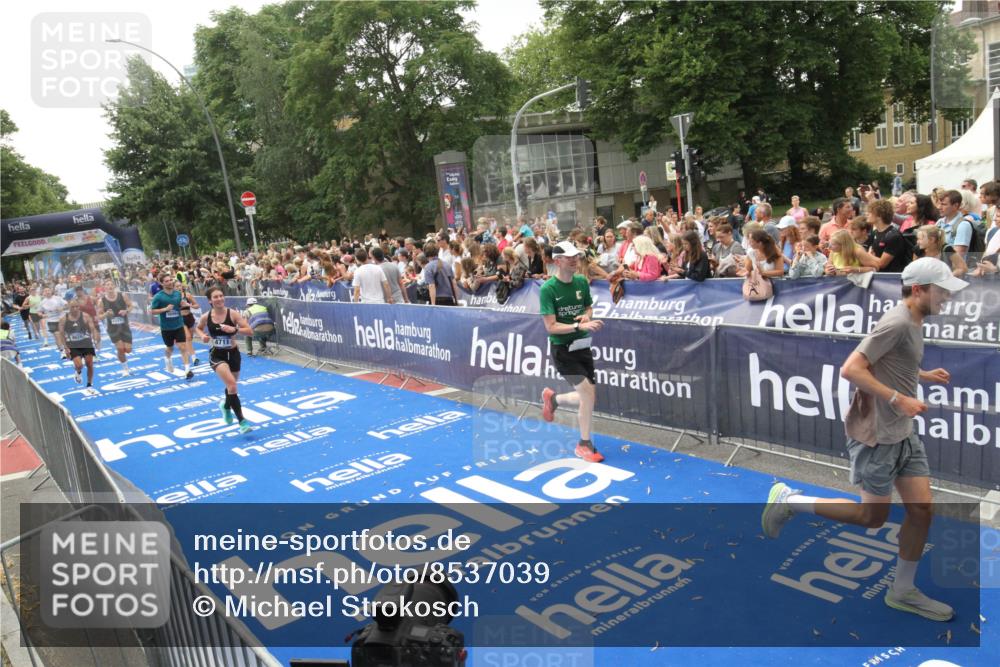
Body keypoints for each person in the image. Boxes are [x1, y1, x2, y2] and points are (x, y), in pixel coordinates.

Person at [762, 257, 968, 623]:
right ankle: (792, 500)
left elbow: (886, 361)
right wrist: (897, 398)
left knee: (921, 510)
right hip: (877, 436)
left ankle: (902, 591)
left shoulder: (913, 320)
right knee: (871, 516)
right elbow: (851, 368)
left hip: (903, 434)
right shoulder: (898, 321)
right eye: (942, 291)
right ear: (918, 289)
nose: (947, 298)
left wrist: (919, 374)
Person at [538, 242, 605, 463]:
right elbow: (551, 327)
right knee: (587, 394)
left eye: (576, 256)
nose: (575, 260)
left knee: (589, 396)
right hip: (562, 350)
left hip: (582, 347)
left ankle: (553, 399)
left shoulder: (581, 282)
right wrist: (578, 327)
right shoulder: (548, 289)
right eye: (569, 257)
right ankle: (584, 444)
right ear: (557, 261)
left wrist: (586, 316)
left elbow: (587, 307)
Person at [197, 287, 254, 434]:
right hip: (217, 355)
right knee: (232, 385)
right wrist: (202, 336)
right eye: (215, 297)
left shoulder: (232, 314)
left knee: (231, 387)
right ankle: (242, 421)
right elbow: (198, 328)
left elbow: (250, 331)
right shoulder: (206, 316)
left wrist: (234, 330)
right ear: (210, 300)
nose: (219, 299)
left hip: (233, 354)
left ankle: (226, 406)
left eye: (221, 296)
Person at [149, 274, 194, 379]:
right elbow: (152, 311)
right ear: (162, 283)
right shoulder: (158, 296)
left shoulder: (178, 294)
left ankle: (187, 370)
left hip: (178, 324)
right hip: (166, 327)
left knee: (183, 347)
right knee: (170, 348)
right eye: (167, 281)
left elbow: (180, 303)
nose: (170, 282)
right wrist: (165, 309)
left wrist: (185, 304)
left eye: (170, 280)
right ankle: (167, 359)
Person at [59, 298, 101, 391]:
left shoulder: (85, 316)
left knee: (89, 363)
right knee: (79, 365)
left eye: (76, 306)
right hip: (73, 345)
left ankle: (89, 384)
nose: (75, 309)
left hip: (86, 342)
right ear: (69, 308)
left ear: (79, 307)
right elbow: (61, 334)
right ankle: (78, 372)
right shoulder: (64, 319)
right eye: (72, 307)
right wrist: (65, 348)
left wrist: (95, 340)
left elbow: (92, 328)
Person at [97, 279, 134, 376]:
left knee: (128, 350)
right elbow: (99, 316)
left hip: (124, 326)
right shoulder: (102, 300)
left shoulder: (122, 295)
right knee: (121, 349)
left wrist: (126, 311)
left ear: (114, 286)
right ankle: (125, 369)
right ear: (104, 287)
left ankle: (121, 356)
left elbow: (131, 306)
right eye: (107, 284)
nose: (110, 286)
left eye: (111, 284)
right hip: (113, 329)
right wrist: (106, 314)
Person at [39, 287, 69, 357]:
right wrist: (42, 315)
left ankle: (67, 348)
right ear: (43, 293)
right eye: (45, 291)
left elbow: (67, 305)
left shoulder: (58, 298)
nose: (47, 292)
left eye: (48, 290)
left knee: (63, 336)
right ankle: (62, 352)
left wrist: (62, 308)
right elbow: (39, 311)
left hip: (61, 318)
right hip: (51, 320)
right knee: (57, 336)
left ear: (51, 291)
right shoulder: (42, 302)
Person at [179, 281, 201, 366]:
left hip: (189, 317)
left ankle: (188, 350)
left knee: (190, 338)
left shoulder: (187, 295)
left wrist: (189, 304)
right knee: (187, 337)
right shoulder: (173, 297)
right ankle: (194, 358)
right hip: (180, 319)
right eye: (176, 286)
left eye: (179, 286)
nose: (178, 288)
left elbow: (197, 306)